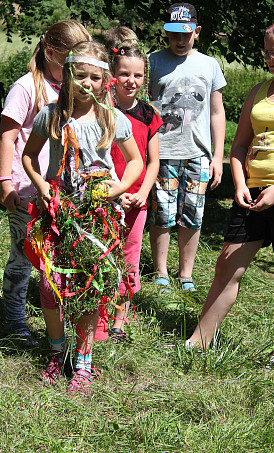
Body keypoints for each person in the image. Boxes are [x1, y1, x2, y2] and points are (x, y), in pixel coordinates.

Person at [22, 40, 143, 393]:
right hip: (60, 212)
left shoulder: (112, 118)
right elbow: (30, 156)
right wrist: (40, 184)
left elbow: (135, 161)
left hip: (96, 219)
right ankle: (57, 353)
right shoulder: (51, 115)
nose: (85, 84)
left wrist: (117, 191)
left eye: (94, 77)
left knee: (88, 290)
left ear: (106, 80)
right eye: (80, 75)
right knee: (49, 284)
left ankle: (84, 362)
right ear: (68, 75)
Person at [188, 21, 274, 369]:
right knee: (226, 265)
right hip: (251, 194)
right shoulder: (259, 92)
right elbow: (239, 145)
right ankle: (197, 341)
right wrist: (239, 183)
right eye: (266, 51)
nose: (268, 57)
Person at [0, 21, 91, 347]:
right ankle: (14, 317)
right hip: (25, 189)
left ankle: (52, 311)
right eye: (70, 63)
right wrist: (4, 182)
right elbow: (8, 138)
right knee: (23, 256)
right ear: (50, 52)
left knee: (52, 256)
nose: (76, 71)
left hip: (58, 192)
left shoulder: (69, 90)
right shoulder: (26, 88)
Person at [148, 2, 226, 291]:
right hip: (162, 153)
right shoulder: (152, 62)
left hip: (198, 154)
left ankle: (186, 274)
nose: (179, 41)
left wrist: (218, 156)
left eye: (186, 34)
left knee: (192, 214)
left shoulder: (209, 65)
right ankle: (160, 272)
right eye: (173, 35)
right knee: (162, 213)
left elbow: (217, 112)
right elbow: (143, 108)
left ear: (197, 31)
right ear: (165, 33)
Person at [96, 26, 163, 342]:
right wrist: (114, 190)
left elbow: (153, 163)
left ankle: (119, 322)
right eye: (124, 74)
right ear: (113, 73)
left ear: (144, 78)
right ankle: (96, 319)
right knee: (100, 256)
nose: (130, 81)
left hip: (136, 203)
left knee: (129, 261)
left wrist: (142, 194)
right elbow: (95, 157)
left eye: (137, 75)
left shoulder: (149, 114)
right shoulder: (101, 112)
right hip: (104, 197)